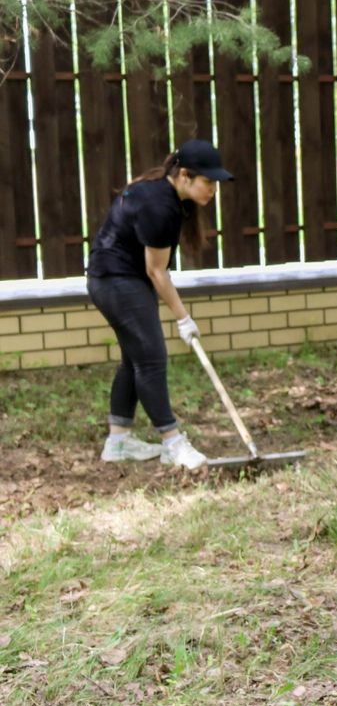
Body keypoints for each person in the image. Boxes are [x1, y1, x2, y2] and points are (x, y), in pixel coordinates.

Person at [86, 139, 233, 471]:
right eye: (208, 181)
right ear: (184, 175)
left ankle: (118, 441)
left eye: (215, 183)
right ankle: (172, 443)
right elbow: (157, 271)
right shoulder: (159, 205)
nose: (213, 190)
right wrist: (184, 319)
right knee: (152, 360)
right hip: (117, 281)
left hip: (112, 279)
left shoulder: (164, 194)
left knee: (134, 359)